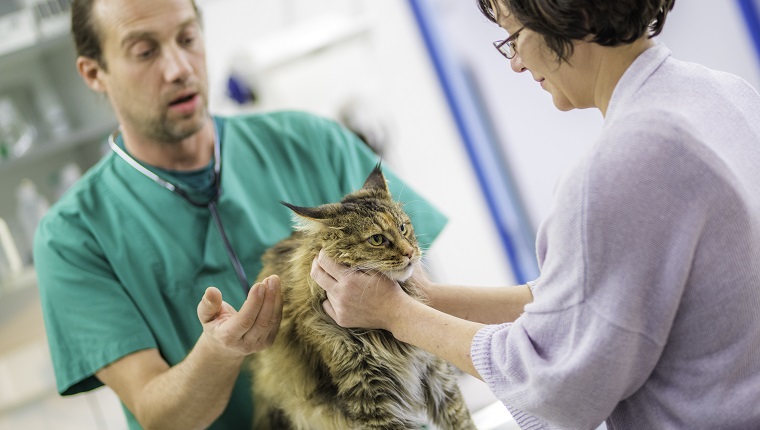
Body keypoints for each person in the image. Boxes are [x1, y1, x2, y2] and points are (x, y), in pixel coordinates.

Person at [312, 0, 760, 428]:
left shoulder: (620, 165)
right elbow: (591, 300)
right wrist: (426, 297)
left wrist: (397, 316)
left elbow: (556, 386)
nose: (516, 64)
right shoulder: (724, 93)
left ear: (570, 13)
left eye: (514, 39)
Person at [33, 0, 447, 428]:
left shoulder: (311, 142)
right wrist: (220, 351)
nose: (179, 68)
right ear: (94, 73)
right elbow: (158, 416)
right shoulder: (71, 236)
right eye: (145, 51)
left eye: (188, 39)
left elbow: (418, 304)